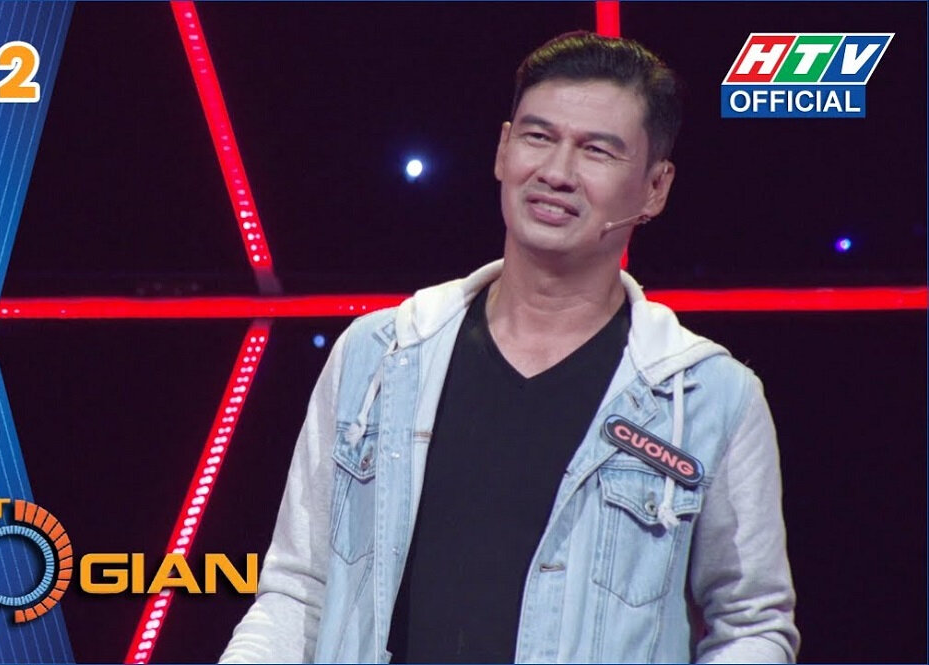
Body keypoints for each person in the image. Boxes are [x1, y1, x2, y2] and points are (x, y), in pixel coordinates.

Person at [221, 31, 799, 663]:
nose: (556, 173)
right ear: (502, 149)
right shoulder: (379, 354)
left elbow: (751, 625)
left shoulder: (710, 396)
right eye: (538, 137)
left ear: (654, 188)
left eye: (597, 150)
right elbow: (299, 591)